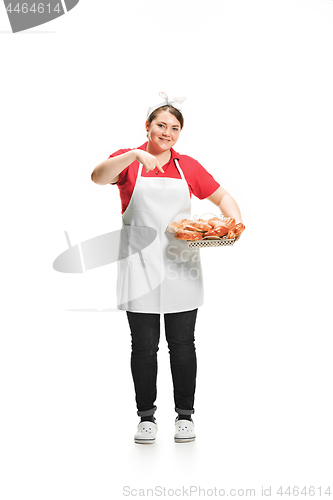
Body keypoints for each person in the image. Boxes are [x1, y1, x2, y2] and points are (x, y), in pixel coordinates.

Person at [91, 92, 243, 444]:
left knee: (183, 344)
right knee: (143, 346)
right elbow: (98, 177)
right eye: (161, 125)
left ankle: (185, 417)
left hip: (181, 265)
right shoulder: (128, 161)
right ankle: (146, 418)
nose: (167, 132)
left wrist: (233, 223)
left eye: (175, 128)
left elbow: (222, 197)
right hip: (138, 266)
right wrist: (132, 155)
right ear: (147, 126)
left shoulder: (186, 165)